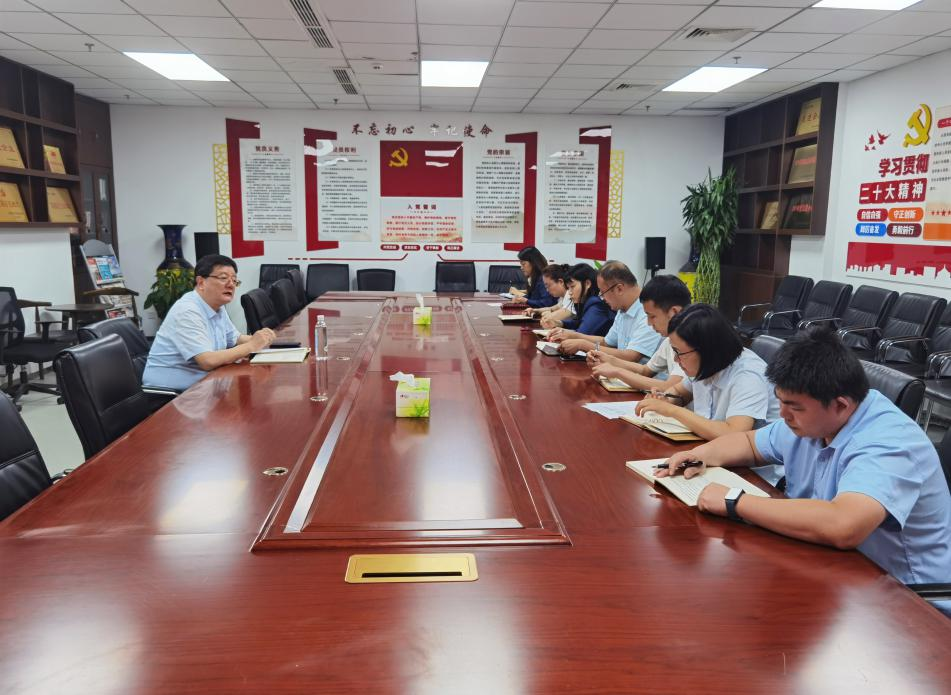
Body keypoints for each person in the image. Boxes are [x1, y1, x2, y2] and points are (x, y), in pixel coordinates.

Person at [660, 328, 951, 611]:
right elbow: (749, 443)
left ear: (840, 405)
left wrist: (734, 501)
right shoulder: (815, 419)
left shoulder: (889, 443)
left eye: (794, 407)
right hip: (835, 569)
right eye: (780, 401)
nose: (783, 414)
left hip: (908, 598)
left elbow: (844, 525)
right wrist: (698, 456)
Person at [634, 303, 779, 441]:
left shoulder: (748, 375)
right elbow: (679, 392)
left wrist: (671, 410)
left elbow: (733, 434)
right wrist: (665, 400)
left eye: (679, 352)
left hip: (751, 458)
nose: (675, 359)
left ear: (706, 350)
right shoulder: (706, 364)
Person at [143, 254, 276, 391]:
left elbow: (236, 338)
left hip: (205, 383)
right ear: (201, 282)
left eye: (234, 280)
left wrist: (266, 339)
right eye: (223, 278)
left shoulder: (217, 306)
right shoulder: (187, 310)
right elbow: (207, 361)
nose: (231, 284)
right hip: (170, 393)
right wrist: (252, 345)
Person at [589, 274, 691, 391]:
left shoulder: (691, 340)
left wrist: (618, 372)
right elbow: (645, 370)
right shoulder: (669, 340)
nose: (648, 323)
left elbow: (670, 387)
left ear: (674, 312)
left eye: (652, 316)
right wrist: (608, 359)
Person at [548, 261, 661, 361]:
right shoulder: (623, 308)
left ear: (619, 289)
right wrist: (574, 335)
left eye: (602, 292)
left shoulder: (648, 312)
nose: (602, 298)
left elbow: (631, 356)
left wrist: (583, 344)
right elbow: (606, 342)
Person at [549, 264, 613, 337]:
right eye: (568, 288)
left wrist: (562, 331)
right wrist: (560, 323)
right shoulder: (587, 302)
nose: (569, 292)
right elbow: (579, 323)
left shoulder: (596, 305)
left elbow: (581, 333)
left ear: (587, 284)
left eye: (572, 286)